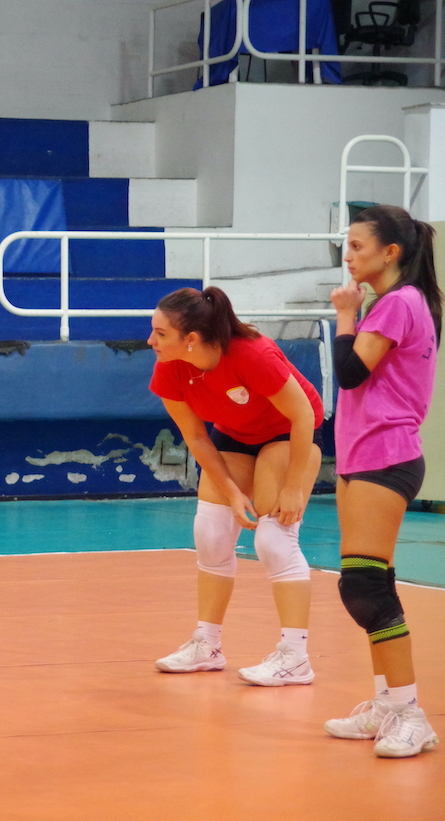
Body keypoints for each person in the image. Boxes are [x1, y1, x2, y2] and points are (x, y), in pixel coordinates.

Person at [148, 286, 324, 685]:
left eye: (160, 333)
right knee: (210, 533)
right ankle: (206, 645)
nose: (150, 341)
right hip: (235, 435)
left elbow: (302, 415)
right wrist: (231, 492)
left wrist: (293, 487)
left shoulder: (252, 354)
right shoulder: (170, 367)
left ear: (191, 339)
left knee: (274, 540)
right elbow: (196, 438)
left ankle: (295, 656)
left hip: (290, 432)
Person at [324, 205, 441, 758]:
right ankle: (387, 705)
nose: (348, 256)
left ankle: (411, 713)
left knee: (364, 587)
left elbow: (351, 373)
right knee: (370, 585)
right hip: (360, 457)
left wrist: (345, 315)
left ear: (390, 252)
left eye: (357, 246)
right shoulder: (393, 303)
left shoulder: (398, 303)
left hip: (386, 456)